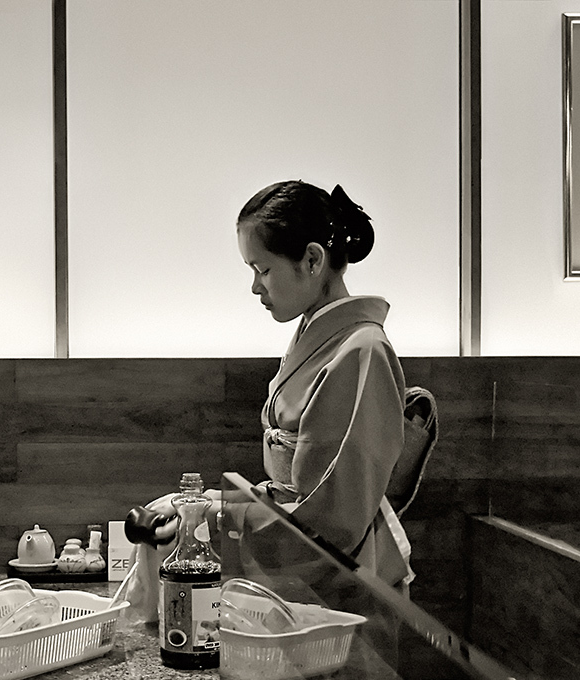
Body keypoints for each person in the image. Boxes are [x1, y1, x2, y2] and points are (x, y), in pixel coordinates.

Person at [125, 179, 412, 622]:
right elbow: (290, 491)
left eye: (262, 269)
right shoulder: (317, 336)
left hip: (342, 575)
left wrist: (219, 516)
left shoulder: (362, 350)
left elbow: (333, 519)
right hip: (302, 557)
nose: (255, 287)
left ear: (312, 260)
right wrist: (201, 505)